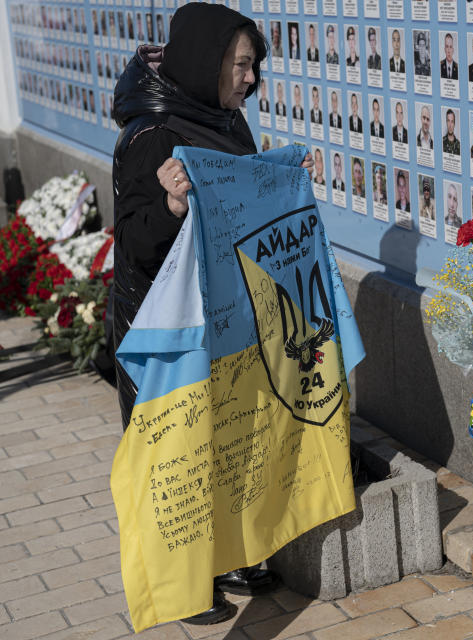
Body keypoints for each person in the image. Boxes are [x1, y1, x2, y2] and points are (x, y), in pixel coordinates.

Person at [111, 4, 312, 625]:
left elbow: (241, 207)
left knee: (228, 440)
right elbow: (135, 243)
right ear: (208, 62)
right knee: (176, 456)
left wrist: (283, 183)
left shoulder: (224, 119)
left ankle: (230, 556)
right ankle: (182, 585)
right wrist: (171, 206)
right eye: (242, 65)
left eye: (254, 66)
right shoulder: (151, 135)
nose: (250, 79)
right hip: (164, 324)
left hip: (223, 313)